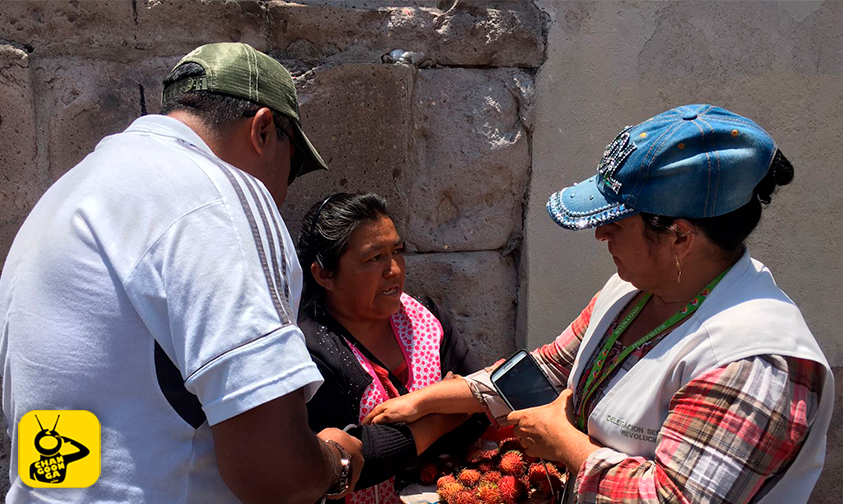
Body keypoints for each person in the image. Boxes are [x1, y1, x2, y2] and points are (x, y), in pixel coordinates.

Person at [364, 104, 835, 504]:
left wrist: (564, 443)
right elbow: (549, 367)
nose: (600, 234)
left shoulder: (754, 361)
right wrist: (432, 398)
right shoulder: (630, 291)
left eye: (617, 221)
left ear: (680, 237)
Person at [0, 42, 363, 503]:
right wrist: (336, 461)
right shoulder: (222, 194)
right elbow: (275, 473)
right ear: (264, 130)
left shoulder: (64, 195)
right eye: (290, 169)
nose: (281, 196)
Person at [296, 193, 488, 504]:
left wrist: (425, 407)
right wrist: (442, 415)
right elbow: (350, 463)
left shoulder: (425, 319)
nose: (394, 270)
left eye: (397, 251)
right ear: (324, 274)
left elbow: (480, 409)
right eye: (374, 258)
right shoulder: (310, 350)